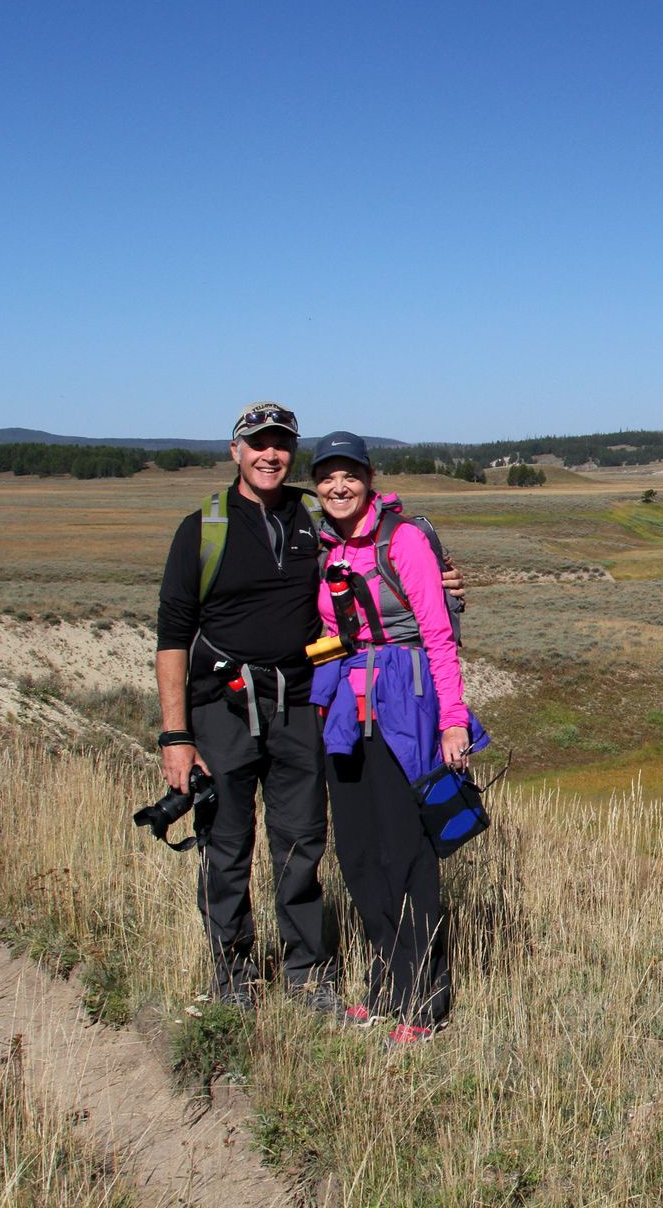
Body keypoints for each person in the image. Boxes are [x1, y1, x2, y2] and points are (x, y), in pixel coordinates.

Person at [154, 402, 461, 1016]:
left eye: (281, 444)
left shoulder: (308, 520)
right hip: (227, 707)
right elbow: (171, 634)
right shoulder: (203, 530)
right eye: (257, 443)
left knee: (304, 844)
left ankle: (307, 974)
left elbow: (395, 570)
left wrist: (443, 579)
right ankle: (234, 973)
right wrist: (175, 734)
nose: (270, 454)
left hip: (305, 707)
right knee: (229, 845)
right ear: (235, 450)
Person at [305, 429, 488, 1045]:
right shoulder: (324, 547)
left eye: (349, 475)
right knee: (358, 852)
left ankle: (424, 1002)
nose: (338, 486)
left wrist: (453, 720)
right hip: (344, 713)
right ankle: (385, 987)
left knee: (407, 855)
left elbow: (438, 635)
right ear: (316, 485)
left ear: (368, 478)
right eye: (327, 476)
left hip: (406, 707)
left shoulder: (402, 540)